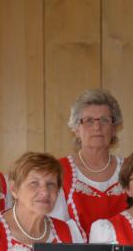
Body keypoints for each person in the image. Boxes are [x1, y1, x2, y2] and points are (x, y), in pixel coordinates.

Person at [51, 88, 128, 239]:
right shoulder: (58, 170)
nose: (97, 127)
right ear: (76, 129)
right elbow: (54, 227)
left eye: (104, 120)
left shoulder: (131, 169)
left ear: (114, 128)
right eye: (89, 121)